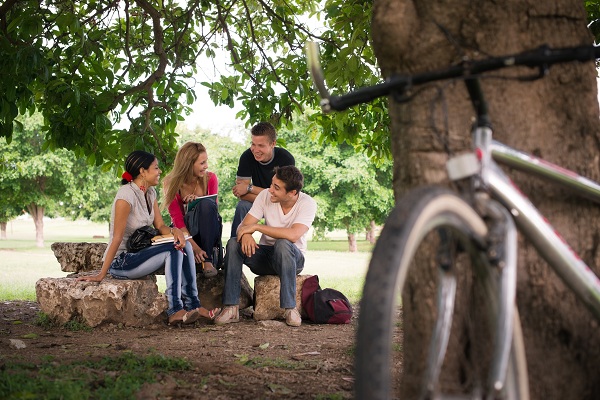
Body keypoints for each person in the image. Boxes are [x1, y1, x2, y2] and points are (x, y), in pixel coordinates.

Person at [77, 150, 219, 325]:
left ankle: (193, 306)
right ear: (143, 171)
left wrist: (176, 231)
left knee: (184, 245)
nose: (160, 171)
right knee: (173, 249)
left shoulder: (150, 193)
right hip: (122, 261)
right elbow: (116, 238)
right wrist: (101, 274)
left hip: (141, 254)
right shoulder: (125, 196)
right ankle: (175, 310)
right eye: (156, 168)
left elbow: (160, 226)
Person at [215, 165, 317, 327]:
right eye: (271, 184)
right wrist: (247, 234)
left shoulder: (307, 203)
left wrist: (256, 228)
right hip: (264, 258)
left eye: (276, 188)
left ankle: (290, 308)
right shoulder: (264, 196)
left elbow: (293, 235)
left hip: (292, 259)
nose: (270, 190)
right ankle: (231, 307)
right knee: (234, 243)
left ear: (292, 193)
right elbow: (243, 227)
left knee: (283, 243)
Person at [162, 142, 222, 278]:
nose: (206, 166)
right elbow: (177, 220)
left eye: (206, 162)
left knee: (206, 205)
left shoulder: (210, 178)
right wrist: (194, 248)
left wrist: (198, 202)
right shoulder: (170, 183)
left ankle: (207, 261)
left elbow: (213, 212)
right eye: (202, 163)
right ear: (189, 164)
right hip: (185, 233)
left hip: (208, 232)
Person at [230, 122, 295, 237]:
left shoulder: (286, 159)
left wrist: (250, 188)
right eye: (253, 144)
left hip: (281, 204)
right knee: (242, 206)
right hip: (257, 203)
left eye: (261, 146)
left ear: (273, 144)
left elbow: (285, 195)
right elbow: (241, 193)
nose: (255, 150)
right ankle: (235, 245)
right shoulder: (246, 157)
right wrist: (266, 198)